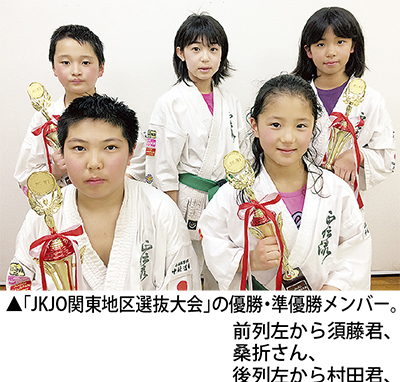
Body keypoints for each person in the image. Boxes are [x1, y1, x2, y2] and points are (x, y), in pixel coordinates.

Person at [7, 94, 201, 291]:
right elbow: (19, 284)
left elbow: (184, 293)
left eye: (110, 147)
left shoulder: (161, 210)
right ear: (62, 152)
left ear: (131, 152)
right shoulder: (43, 215)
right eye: (79, 148)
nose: (94, 163)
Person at [198, 74, 371, 291]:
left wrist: (335, 287)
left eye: (301, 125)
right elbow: (212, 238)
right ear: (254, 126)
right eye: (276, 124)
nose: (288, 137)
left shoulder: (335, 190)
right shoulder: (233, 194)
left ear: (313, 128)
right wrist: (249, 260)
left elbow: (355, 246)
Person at [126, 13, 248, 289]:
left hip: (226, 196)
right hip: (186, 200)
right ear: (181, 53)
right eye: (196, 49)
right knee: (186, 268)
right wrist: (170, 213)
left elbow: (242, 152)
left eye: (213, 49)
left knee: (225, 269)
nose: (205, 58)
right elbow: (162, 165)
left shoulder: (231, 102)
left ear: (222, 55)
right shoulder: (170, 103)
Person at [292, 7, 395, 201]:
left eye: (340, 42)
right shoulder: (293, 97)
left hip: (344, 201)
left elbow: (386, 157)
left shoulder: (370, 99)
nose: (331, 52)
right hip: (297, 197)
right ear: (308, 50)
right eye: (321, 44)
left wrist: (357, 155)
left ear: (352, 46)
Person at [14, 24, 105, 195]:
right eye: (66, 63)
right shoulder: (43, 119)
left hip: (106, 205)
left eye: (85, 62)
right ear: (54, 68)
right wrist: (55, 171)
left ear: (101, 68)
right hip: (62, 206)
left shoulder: (115, 116)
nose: (76, 71)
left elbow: (137, 165)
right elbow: (24, 176)